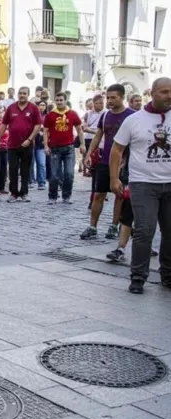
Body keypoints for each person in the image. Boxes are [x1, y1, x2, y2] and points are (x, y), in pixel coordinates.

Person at [110, 77, 171, 294]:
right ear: (152, 93)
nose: (169, 96)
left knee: (169, 231)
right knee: (145, 230)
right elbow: (117, 149)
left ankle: (168, 274)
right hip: (143, 183)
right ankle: (138, 276)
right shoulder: (135, 120)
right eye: (164, 92)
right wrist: (114, 178)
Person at [82, 84, 136, 240]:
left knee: (120, 195)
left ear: (122, 97)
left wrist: (127, 160)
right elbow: (99, 135)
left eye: (114, 97)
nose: (110, 101)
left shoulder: (132, 116)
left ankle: (114, 226)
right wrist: (89, 154)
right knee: (98, 194)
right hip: (105, 161)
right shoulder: (105, 116)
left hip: (124, 163)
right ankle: (92, 226)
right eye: (108, 97)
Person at [0, 87, 42, 202]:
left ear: (28, 95)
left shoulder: (33, 108)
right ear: (17, 94)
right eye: (20, 93)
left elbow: (38, 126)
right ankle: (13, 193)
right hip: (12, 145)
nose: (22, 95)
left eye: (24, 93)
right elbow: (4, 124)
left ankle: (24, 193)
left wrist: (30, 139)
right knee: (13, 170)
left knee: (25, 170)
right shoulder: (11, 108)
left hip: (27, 144)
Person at [43, 92, 84, 204]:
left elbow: (79, 129)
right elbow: (45, 132)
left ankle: (66, 196)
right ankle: (52, 197)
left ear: (65, 100)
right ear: (55, 101)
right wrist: (46, 145)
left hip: (69, 149)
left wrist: (82, 144)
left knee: (69, 174)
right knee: (55, 175)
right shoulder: (50, 115)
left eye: (61, 100)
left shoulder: (72, 114)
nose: (59, 102)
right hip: (55, 148)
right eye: (57, 100)